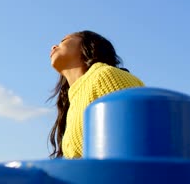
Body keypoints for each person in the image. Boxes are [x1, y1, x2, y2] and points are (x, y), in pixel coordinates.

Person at [48, 30, 144, 159]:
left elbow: (135, 139)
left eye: (64, 40)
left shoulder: (106, 75)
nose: (54, 46)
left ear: (87, 45)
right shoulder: (74, 100)